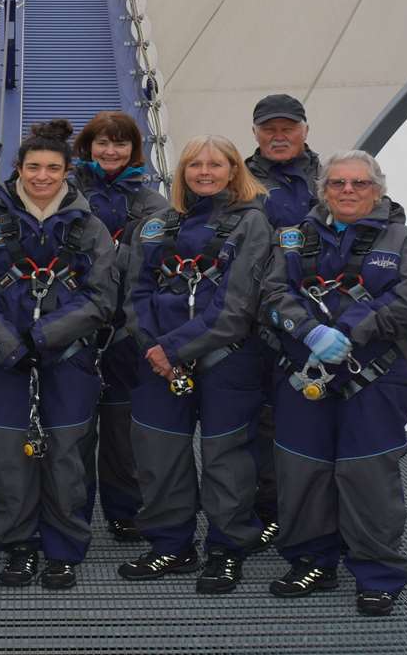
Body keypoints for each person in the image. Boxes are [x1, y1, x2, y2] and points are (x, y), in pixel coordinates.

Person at [261, 149, 407, 617]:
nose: (348, 191)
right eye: (337, 183)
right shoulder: (294, 239)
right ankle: (311, 561)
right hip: (305, 377)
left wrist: (347, 332)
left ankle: (377, 575)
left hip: (374, 380)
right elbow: (274, 293)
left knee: (367, 477)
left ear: (377, 189)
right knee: (302, 473)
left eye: (359, 183)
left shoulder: (404, 242)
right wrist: (309, 331)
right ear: (324, 190)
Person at [0, 119, 117, 591]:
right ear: (18, 169)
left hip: (69, 360)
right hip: (4, 362)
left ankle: (63, 548)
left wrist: (45, 337)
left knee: (68, 456)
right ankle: (18, 544)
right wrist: (9, 345)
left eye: (52, 168)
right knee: (6, 455)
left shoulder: (90, 227)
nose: (42, 176)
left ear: (67, 172)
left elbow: (102, 298)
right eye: (33, 167)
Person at [116, 136, 272, 594]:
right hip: (158, 362)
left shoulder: (252, 225)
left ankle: (226, 550)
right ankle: (171, 543)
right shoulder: (156, 226)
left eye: (216, 164)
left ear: (233, 170)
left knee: (228, 461)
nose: (204, 172)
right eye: (194, 165)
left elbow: (237, 305)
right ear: (181, 173)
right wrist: (154, 348)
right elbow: (135, 294)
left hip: (227, 360)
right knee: (159, 457)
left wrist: (174, 350)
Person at [70, 111, 167, 543]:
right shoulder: (67, 194)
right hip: (74, 327)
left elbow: (157, 271)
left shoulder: (153, 205)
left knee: (122, 428)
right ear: (87, 147)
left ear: (134, 150)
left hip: (128, 331)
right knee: (71, 428)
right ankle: (69, 511)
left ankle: (124, 510)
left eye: (121, 143)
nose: (111, 151)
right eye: (103, 143)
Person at [244, 92, 322, 546]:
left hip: (319, 319)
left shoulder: (332, 177)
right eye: (269, 129)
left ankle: (312, 511)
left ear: (305, 130)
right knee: (261, 419)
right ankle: (268, 509)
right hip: (255, 317)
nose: (278, 136)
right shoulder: (240, 179)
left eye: (287, 128)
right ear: (255, 133)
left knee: (310, 416)